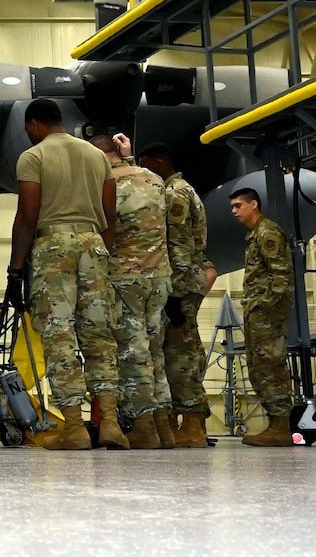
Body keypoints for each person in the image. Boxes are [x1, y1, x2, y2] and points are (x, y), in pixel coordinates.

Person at [7, 98, 125, 450]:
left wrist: (16, 267)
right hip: (93, 244)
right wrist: (100, 249)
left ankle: (74, 428)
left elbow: (28, 214)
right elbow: (110, 212)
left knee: (60, 337)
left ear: (33, 124)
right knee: (99, 335)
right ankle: (110, 425)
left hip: (54, 246)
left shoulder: (34, 157)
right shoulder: (96, 156)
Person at [89, 131, 174, 449]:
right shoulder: (152, 178)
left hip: (125, 277)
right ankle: (164, 427)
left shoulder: (104, 182)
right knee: (155, 351)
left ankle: (144, 427)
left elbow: (103, 222)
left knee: (132, 354)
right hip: (159, 276)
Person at [136, 143, 216, 447]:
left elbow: (177, 245)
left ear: (161, 161)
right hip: (183, 281)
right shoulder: (182, 189)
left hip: (179, 284)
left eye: (148, 166)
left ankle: (193, 425)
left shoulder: (173, 193)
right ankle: (183, 421)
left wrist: (175, 292)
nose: (146, 174)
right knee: (186, 352)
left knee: (179, 357)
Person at [230, 186, 295, 447]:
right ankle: (275, 423)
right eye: (232, 206)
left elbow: (281, 275)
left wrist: (264, 308)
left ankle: (281, 426)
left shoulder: (268, 232)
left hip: (266, 313)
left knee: (271, 366)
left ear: (254, 204)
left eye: (238, 206)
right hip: (258, 313)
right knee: (259, 367)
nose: (233, 211)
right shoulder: (255, 234)